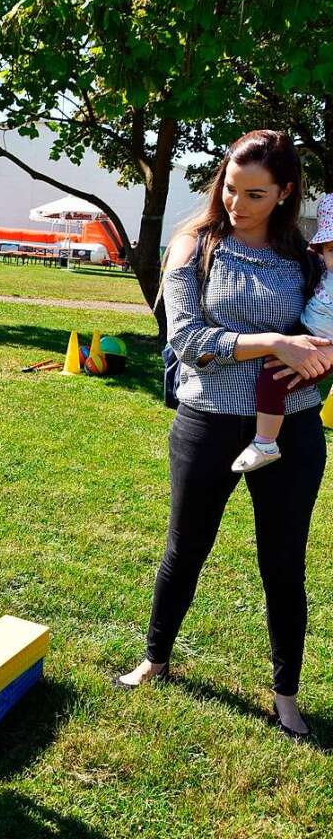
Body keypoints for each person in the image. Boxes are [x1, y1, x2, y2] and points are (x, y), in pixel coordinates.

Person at [116, 130, 332, 740]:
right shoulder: (194, 244)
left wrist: (323, 351)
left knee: (283, 564)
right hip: (206, 423)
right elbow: (186, 340)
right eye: (231, 188)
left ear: (285, 192)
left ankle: (286, 696)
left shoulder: (306, 254)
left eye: (256, 193)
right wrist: (273, 342)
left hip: (291, 429)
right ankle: (155, 660)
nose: (238, 203)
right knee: (185, 548)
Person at [232, 194, 333, 471]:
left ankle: (265, 443)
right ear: (323, 251)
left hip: (322, 348)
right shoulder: (320, 268)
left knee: (273, 381)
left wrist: (329, 352)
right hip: (303, 331)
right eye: (332, 250)